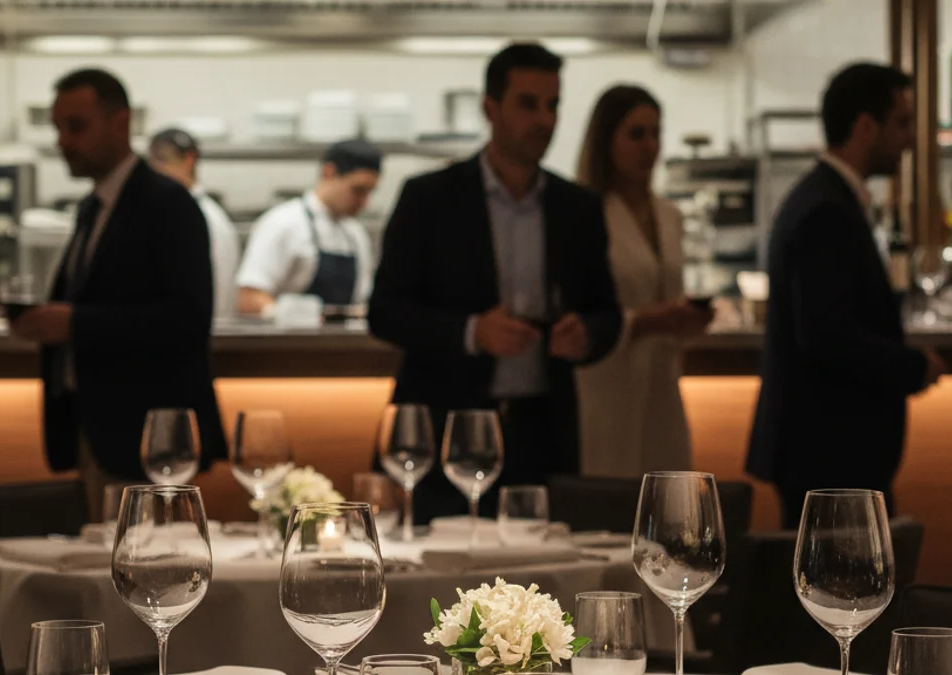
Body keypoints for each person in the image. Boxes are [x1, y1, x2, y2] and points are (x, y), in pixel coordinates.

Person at [369, 43, 623, 523]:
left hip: (542, 433)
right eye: (528, 104)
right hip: (446, 430)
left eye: (553, 105)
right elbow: (385, 310)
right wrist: (471, 331)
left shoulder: (577, 208)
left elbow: (606, 312)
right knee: (443, 583)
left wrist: (586, 335)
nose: (544, 120)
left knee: (542, 585)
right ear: (491, 108)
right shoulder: (430, 199)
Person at [7, 68, 225, 520]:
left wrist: (73, 323)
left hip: (145, 438)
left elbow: (187, 319)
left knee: (150, 578)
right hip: (95, 428)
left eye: (76, 126)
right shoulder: (94, 207)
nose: (63, 140)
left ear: (120, 123)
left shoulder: (168, 204)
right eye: (58, 128)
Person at [746, 63, 945, 529]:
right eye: (901, 122)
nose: (908, 138)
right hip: (830, 454)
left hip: (823, 452)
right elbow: (826, 335)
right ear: (864, 127)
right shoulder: (826, 210)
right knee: (844, 598)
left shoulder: (822, 197)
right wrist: (912, 367)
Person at [573, 85, 711, 478]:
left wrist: (689, 319)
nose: (649, 146)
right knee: (608, 507)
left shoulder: (670, 216)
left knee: (667, 508)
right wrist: (649, 319)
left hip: (663, 386)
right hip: (606, 385)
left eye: (655, 133)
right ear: (606, 140)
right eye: (636, 134)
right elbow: (580, 313)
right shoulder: (586, 215)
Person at [236, 139, 380, 315]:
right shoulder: (284, 223)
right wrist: (293, 316)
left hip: (341, 342)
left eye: (370, 192)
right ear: (329, 172)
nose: (364, 202)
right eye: (358, 190)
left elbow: (361, 301)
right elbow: (249, 298)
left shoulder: (356, 234)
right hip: (288, 341)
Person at [147, 127, 241, 318]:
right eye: (152, 163)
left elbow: (219, 295)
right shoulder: (161, 212)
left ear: (189, 160)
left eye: (163, 160)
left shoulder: (207, 218)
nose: (155, 170)